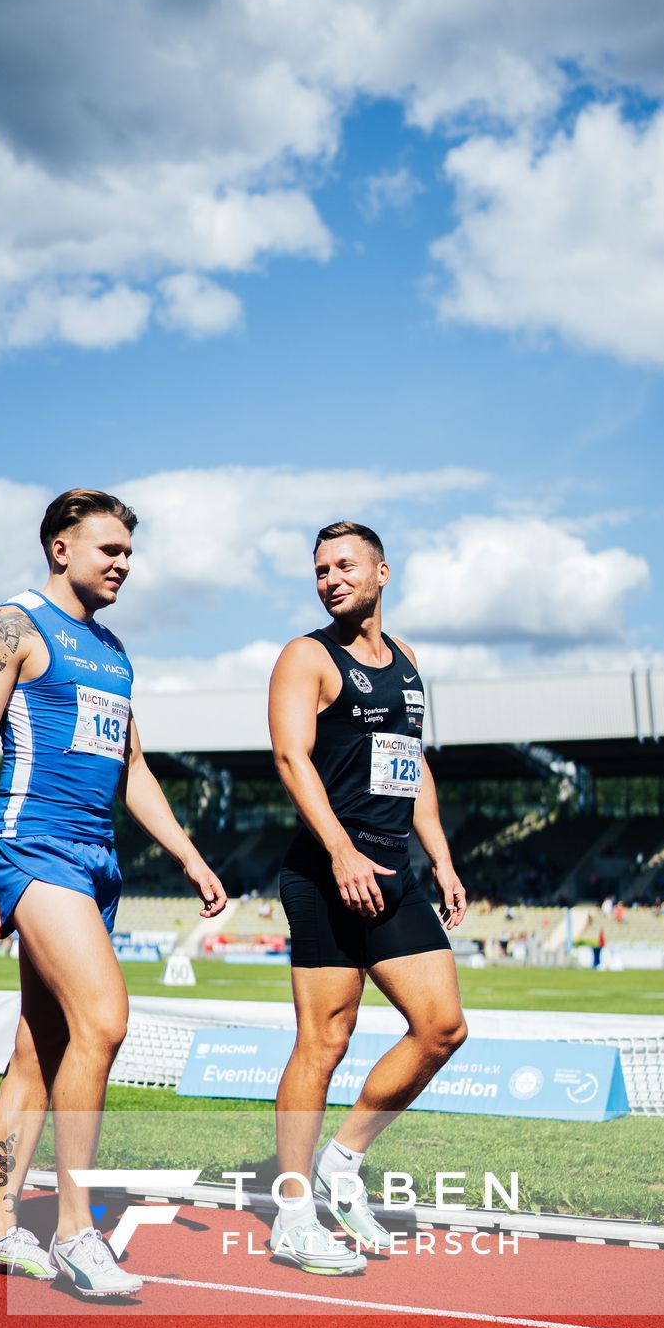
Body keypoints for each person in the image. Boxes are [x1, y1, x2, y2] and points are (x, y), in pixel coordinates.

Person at [0, 488, 226, 1297]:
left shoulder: (112, 650)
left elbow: (132, 769)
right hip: (31, 848)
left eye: (130, 553)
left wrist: (189, 856)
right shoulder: (11, 627)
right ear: (60, 548)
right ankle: (74, 1230)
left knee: (43, 1049)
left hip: (98, 861)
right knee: (104, 1019)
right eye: (110, 550)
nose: (124, 565)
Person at [266, 522, 468, 1274]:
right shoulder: (307, 658)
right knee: (325, 1040)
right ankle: (291, 1214)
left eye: (345, 565)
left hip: (393, 871)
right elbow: (291, 757)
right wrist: (341, 849)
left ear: (383, 572)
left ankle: (341, 1163)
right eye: (320, 569)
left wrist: (441, 858)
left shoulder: (409, 664)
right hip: (325, 873)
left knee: (442, 1026)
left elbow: (407, 767)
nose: (330, 578)